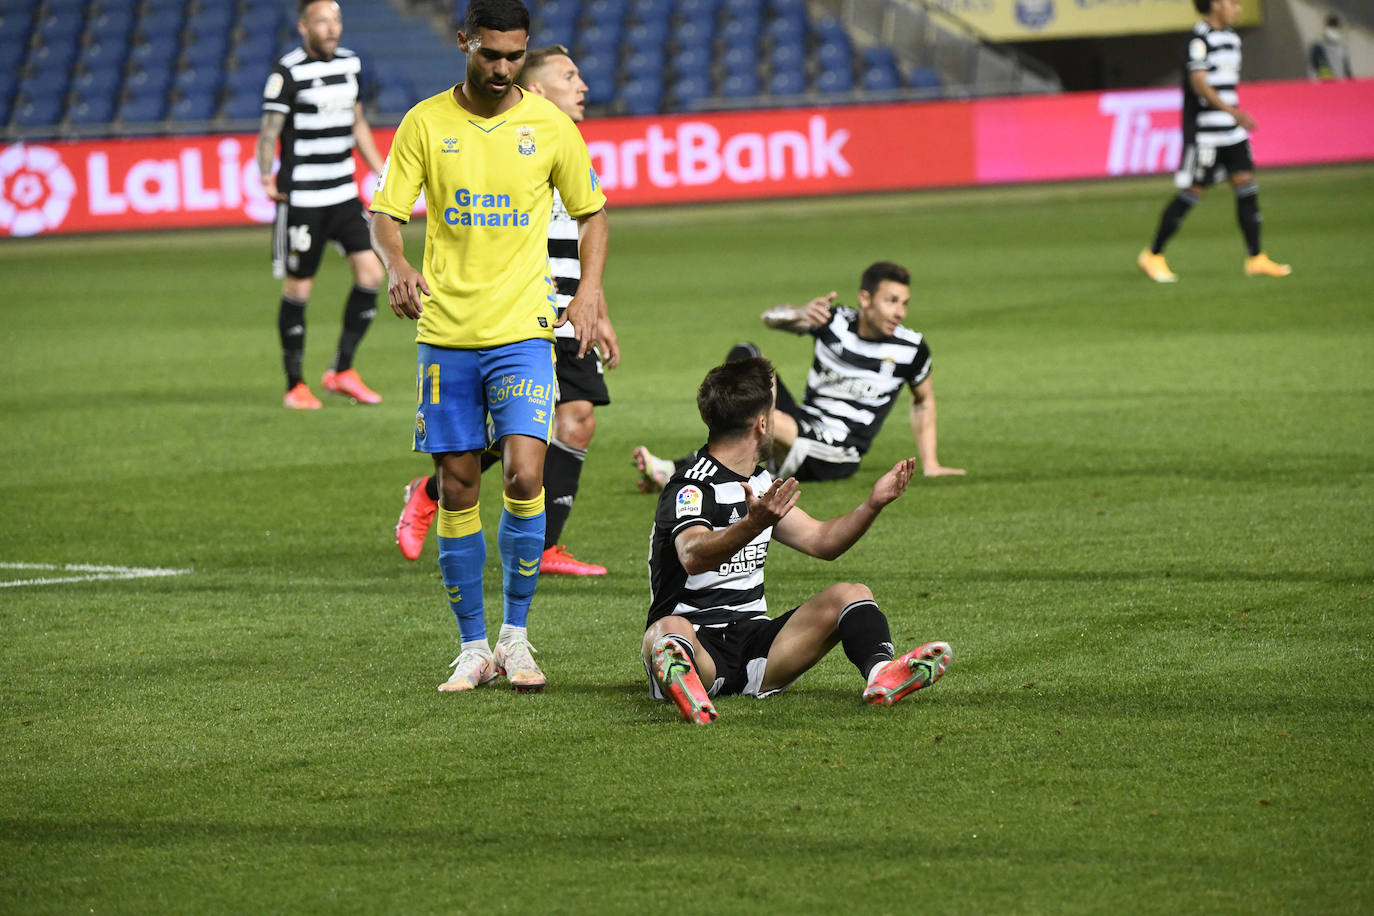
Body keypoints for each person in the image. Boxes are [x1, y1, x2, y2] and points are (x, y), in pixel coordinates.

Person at [368, 0, 616, 694]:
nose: (503, 68)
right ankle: (472, 646)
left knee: (524, 477)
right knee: (456, 484)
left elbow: (594, 213)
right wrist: (397, 265)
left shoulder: (549, 126)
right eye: (490, 54)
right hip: (446, 334)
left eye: (515, 56)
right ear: (463, 44)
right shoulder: (425, 123)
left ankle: (517, 637)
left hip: (523, 332)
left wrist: (589, 293)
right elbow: (385, 214)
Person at [394, 45, 615, 577]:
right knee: (525, 431)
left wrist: (594, 302)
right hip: (516, 311)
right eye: (568, 76)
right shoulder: (495, 141)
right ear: (536, 89)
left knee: (577, 419)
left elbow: (582, 231)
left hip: (565, 309)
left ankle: (544, 547)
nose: (582, 86)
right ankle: (431, 491)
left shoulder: (561, 141)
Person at [641, 356, 952, 725]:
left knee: (851, 593)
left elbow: (823, 541)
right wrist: (754, 524)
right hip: (697, 639)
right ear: (761, 423)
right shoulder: (691, 484)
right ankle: (686, 686)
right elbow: (692, 555)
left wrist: (873, 503)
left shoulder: (758, 483)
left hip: (758, 644)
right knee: (666, 632)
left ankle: (881, 674)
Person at [633, 261, 963, 492]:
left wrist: (930, 463)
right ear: (866, 298)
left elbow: (923, 401)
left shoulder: (911, 347)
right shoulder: (833, 320)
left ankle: (684, 470)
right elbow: (769, 318)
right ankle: (739, 464)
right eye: (892, 301)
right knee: (747, 355)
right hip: (800, 423)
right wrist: (800, 313)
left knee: (762, 420)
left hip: (838, 451)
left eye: (904, 303)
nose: (900, 312)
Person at [257, 0, 388, 410]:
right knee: (299, 288)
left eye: (336, 21)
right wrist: (265, 175)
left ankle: (342, 370)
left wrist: (380, 170)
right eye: (322, 21)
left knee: (372, 274)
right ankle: (295, 384)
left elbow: (358, 121)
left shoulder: (350, 63)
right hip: (304, 199)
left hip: (344, 194)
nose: (332, 29)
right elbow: (269, 131)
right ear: (303, 26)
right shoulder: (287, 71)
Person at [1137, 0, 1291, 283]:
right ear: (1216, 4)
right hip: (1206, 131)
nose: (1238, 8)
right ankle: (1153, 254)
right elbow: (1199, 83)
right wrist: (1233, 112)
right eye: (1232, 2)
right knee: (1192, 192)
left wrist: (1233, 117)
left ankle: (1255, 257)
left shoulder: (1232, 38)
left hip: (1232, 131)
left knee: (1246, 185)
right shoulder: (1198, 39)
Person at [1309, 15, 1353, 81]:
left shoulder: (1341, 46)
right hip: (1327, 86)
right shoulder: (1319, 45)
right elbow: (1319, 66)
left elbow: (1346, 69)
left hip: (1335, 86)